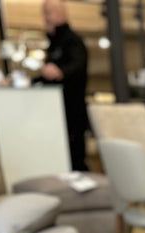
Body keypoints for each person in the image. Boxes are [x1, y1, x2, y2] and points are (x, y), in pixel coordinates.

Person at [40, 0, 90, 171]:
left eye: (49, 12)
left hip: (73, 108)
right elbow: (44, 74)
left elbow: (78, 65)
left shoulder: (73, 41)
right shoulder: (52, 43)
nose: (46, 17)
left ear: (62, 13)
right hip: (56, 110)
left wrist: (61, 72)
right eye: (45, 12)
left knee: (76, 154)